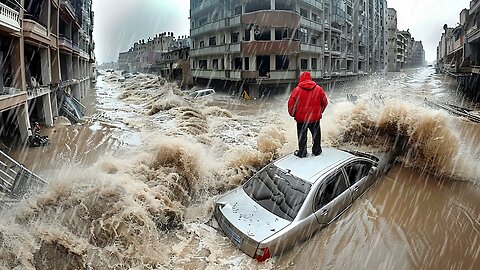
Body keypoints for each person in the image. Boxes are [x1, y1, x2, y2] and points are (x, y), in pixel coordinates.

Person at [287, 71, 328, 158]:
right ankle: (316, 151)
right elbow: (325, 102)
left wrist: (294, 115)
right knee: (316, 135)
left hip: (301, 120)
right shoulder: (318, 89)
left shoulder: (296, 90)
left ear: (301, 80)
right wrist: (319, 112)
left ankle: (302, 152)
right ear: (310, 79)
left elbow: (291, 105)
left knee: (302, 137)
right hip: (315, 119)